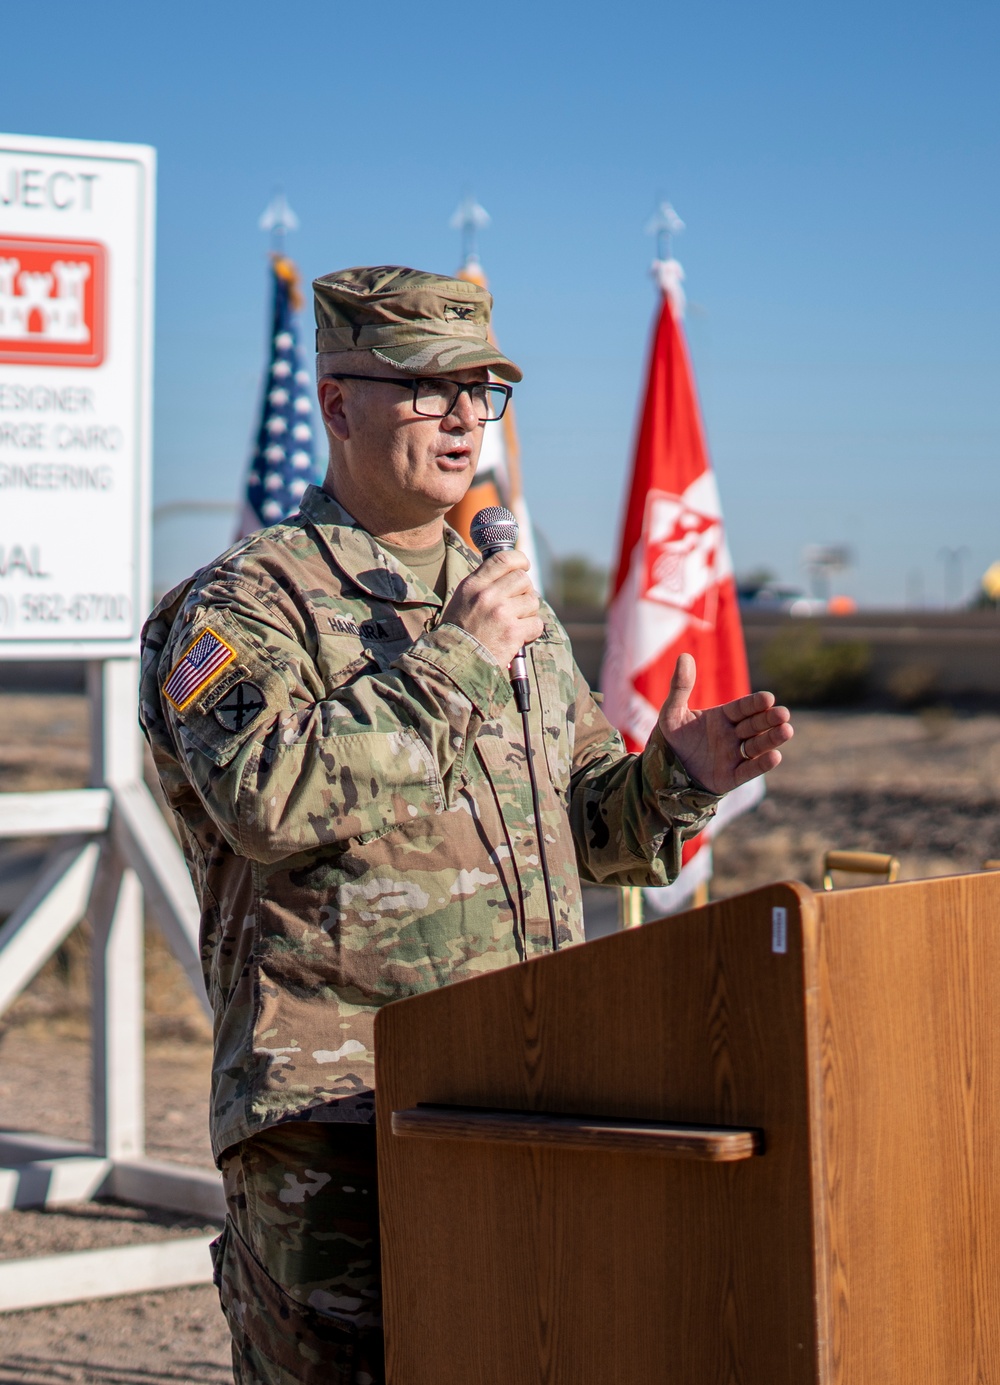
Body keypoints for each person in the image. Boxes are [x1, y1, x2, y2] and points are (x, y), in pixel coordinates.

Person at [139, 265, 792, 1385]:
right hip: (342, 1117)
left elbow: (589, 824)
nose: (460, 418)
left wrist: (672, 782)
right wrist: (453, 664)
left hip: (521, 1096)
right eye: (428, 386)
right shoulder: (245, 604)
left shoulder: (501, 599)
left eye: (482, 391)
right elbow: (267, 799)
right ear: (337, 404)